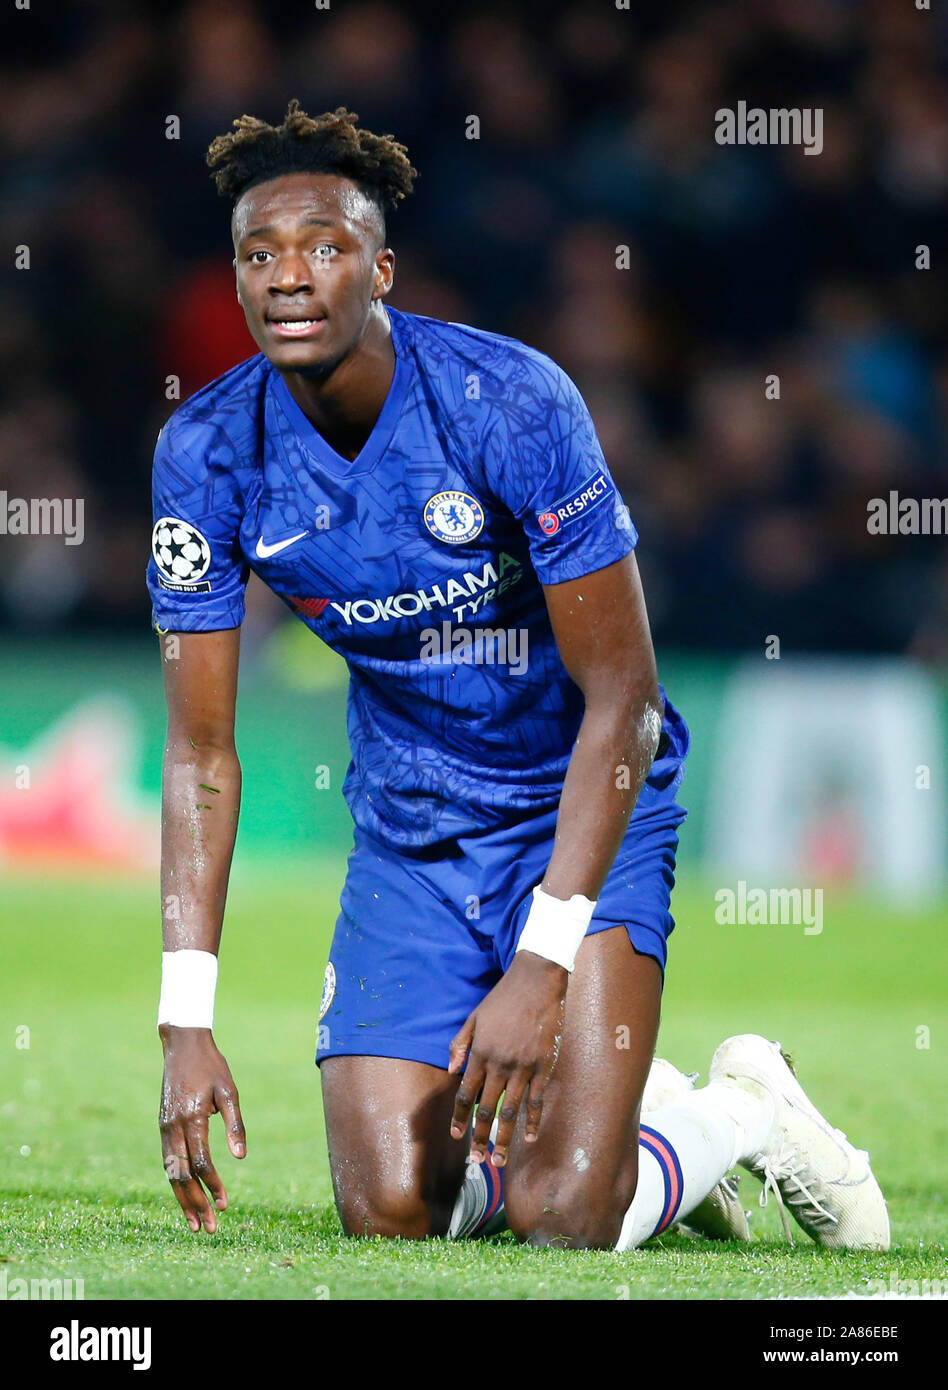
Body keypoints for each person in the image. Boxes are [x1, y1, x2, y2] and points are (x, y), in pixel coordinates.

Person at [151, 102, 889, 1252]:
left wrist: (543, 961)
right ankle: (609, 1112)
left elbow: (628, 704)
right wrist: (183, 1020)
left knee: (565, 1219)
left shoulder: (510, 402)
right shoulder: (204, 452)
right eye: (260, 255)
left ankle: (740, 1108)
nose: (289, 278)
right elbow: (201, 751)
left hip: (579, 810)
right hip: (413, 837)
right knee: (391, 1213)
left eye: (325, 249)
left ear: (381, 269)